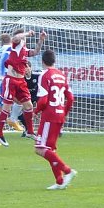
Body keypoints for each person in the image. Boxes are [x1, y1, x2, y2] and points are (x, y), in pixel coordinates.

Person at [0, 28, 47, 146]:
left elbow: (35, 52)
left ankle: (30, 131)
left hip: (21, 81)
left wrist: (40, 40)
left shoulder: (23, 50)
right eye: (24, 38)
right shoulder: (14, 46)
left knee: (28, 105)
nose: (25, 40)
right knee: (6, 107)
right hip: (11, 80)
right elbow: (15, 38)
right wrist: (27, 33)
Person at [34, 49, 76, 190]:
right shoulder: (61, 75)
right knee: (50, 148)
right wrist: (65, 112)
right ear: (54, 60)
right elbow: (70, 98)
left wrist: (36, 111)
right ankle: (59, 181)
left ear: (42, 61)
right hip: (59, 114)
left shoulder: (45, 75)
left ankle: (68, 171)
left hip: (49, 115)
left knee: (40, 148)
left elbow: (43, 100)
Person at [9, 60, 40, 140]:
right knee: (19, 113)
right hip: (26, 97)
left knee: (44, 110)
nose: (25, 69)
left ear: (30, 68)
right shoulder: (20, 78)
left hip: (37, 96)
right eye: (24, 67)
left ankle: (43, 130)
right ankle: (28, 129)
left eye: (27, 67)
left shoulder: (37, 75)